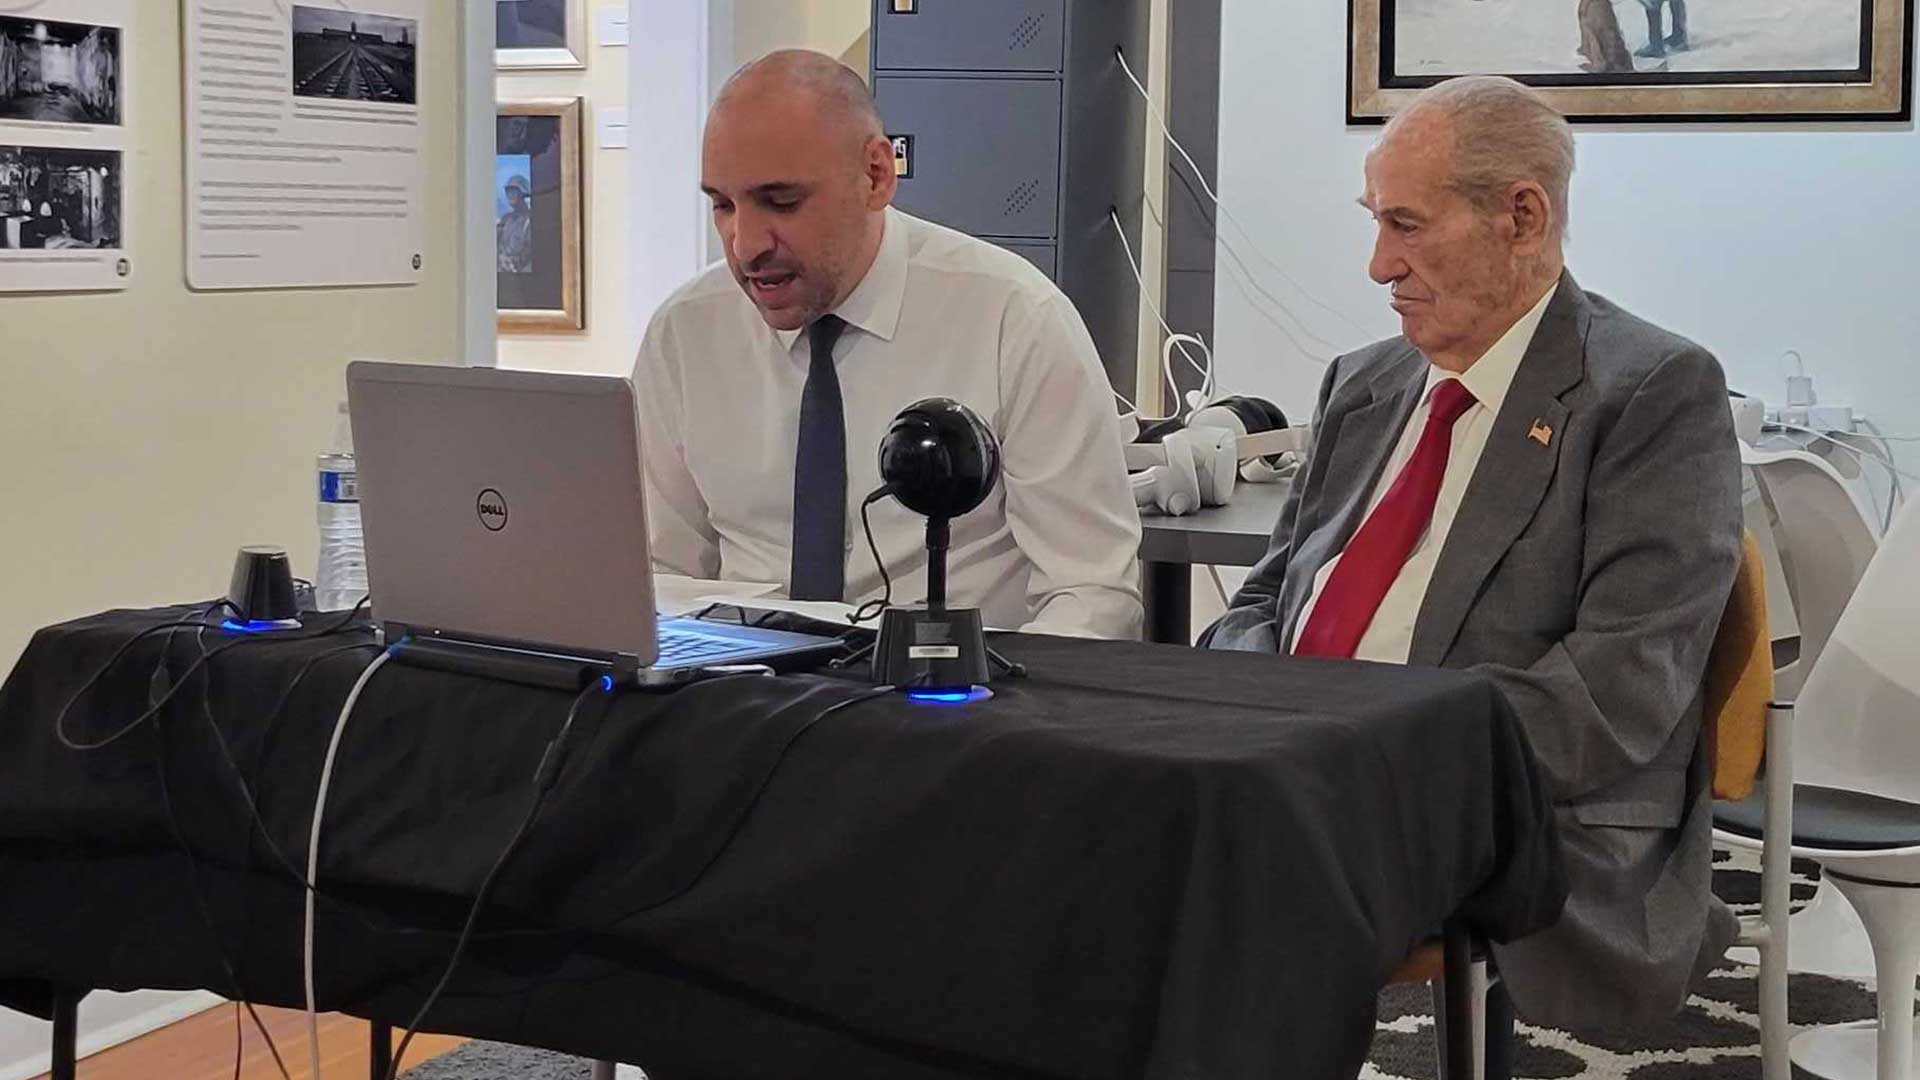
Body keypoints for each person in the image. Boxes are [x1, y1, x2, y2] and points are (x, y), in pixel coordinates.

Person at [1205, 75, 1741, 1029]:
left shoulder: (1651, 391)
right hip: (1291, 768)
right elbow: (1263, 598)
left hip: (1495, 805)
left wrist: (1364, 756)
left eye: (1406, 225)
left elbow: (1623, 691)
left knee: (1215, 899)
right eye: (1374, 223)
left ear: (1521, 218)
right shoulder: (1363, 384)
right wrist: (1253, 712)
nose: (1377, 265)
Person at [633, 50, 1142, 639]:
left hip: (952, 713)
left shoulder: (1015, 319)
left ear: (876, 175)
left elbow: (1093, 596)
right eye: (722, 205)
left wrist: (993, 715)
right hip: (744, 702)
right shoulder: (685, 333)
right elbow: (657, 580)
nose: (744, 245)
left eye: (782, 202)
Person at [496, 175, 532, 274]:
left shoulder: (531, 219)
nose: (509, 195)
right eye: (508, 191)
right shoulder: (506, 219)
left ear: (522, 193)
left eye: (513, 191)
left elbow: (530, 251)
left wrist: (513, 262)